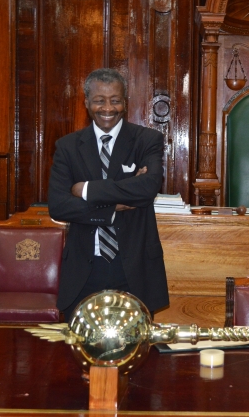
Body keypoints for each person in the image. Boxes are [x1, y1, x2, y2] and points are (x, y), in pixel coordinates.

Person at [48, 68, 168, 319]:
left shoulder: (147, 140)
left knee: (135, 341)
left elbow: (148, 188)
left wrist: (86, 189)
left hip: (134, 268)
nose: (108, 108)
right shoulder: (68, 146)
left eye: (115, 100)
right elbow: (58, 205)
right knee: (78, 342)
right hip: (83, 269)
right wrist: (112, 209)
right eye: (99, 100)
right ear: (86, 103)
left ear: (125, 102)